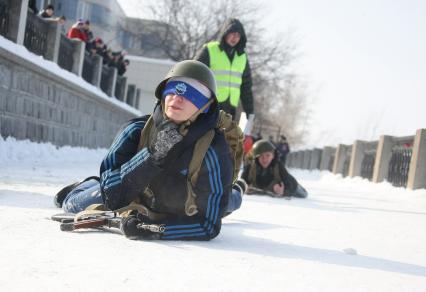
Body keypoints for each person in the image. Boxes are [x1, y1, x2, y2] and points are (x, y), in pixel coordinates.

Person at [54, 60, 246, 240]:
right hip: (134, 197)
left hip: (187, 203)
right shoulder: (136, 131)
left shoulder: (213, 149)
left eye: (190, 94)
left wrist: (154, 230)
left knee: (228, 202)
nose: (177, 98)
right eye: (172, 89)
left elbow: (209, 224)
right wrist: (151, 156)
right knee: (69, 204)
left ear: (206, 106)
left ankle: (236, 190)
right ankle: (86, 184)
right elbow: (110, 196)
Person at [194, 18, 254, 121]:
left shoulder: (242, 57)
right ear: (225, 33)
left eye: (238, 35)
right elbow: (194, 73)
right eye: (232, 33)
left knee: (224, 136)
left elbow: (246, 87)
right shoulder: (210, 49)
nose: (235, 37)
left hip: (230, 109)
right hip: (210, 104)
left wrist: (250, 112)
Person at [242, 139, 308, 198]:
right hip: (264, 189)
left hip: (291, 183)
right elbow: (241, 182)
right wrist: (244, 187)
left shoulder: (278, 166)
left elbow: (291, 186)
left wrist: (283, 191)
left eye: (268, 155)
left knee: (303, 194)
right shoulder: (251, 167)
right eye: (261, 156)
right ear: (256, 157)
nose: (264, 159)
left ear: (273, 156)